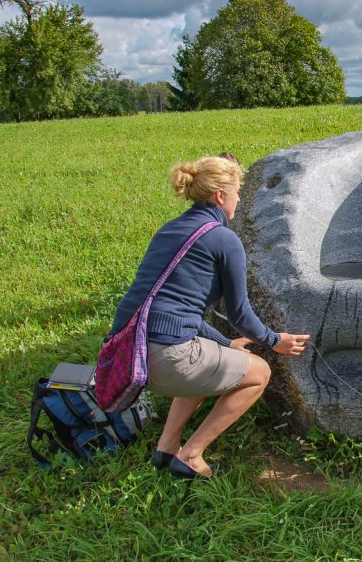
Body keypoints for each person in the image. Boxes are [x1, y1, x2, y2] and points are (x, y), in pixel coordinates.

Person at [108, 156, 310, 478]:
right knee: (259, 373)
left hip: (134, 356)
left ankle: (166, 447)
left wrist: (224, 342)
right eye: (237, 191)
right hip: (167, 359)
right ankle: (191, 453)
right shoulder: (223, 239)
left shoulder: (170, 229)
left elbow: (173, 312)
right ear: (219, 195)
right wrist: (275, 341)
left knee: (211, 358)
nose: (240, 198)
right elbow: (239, 313)